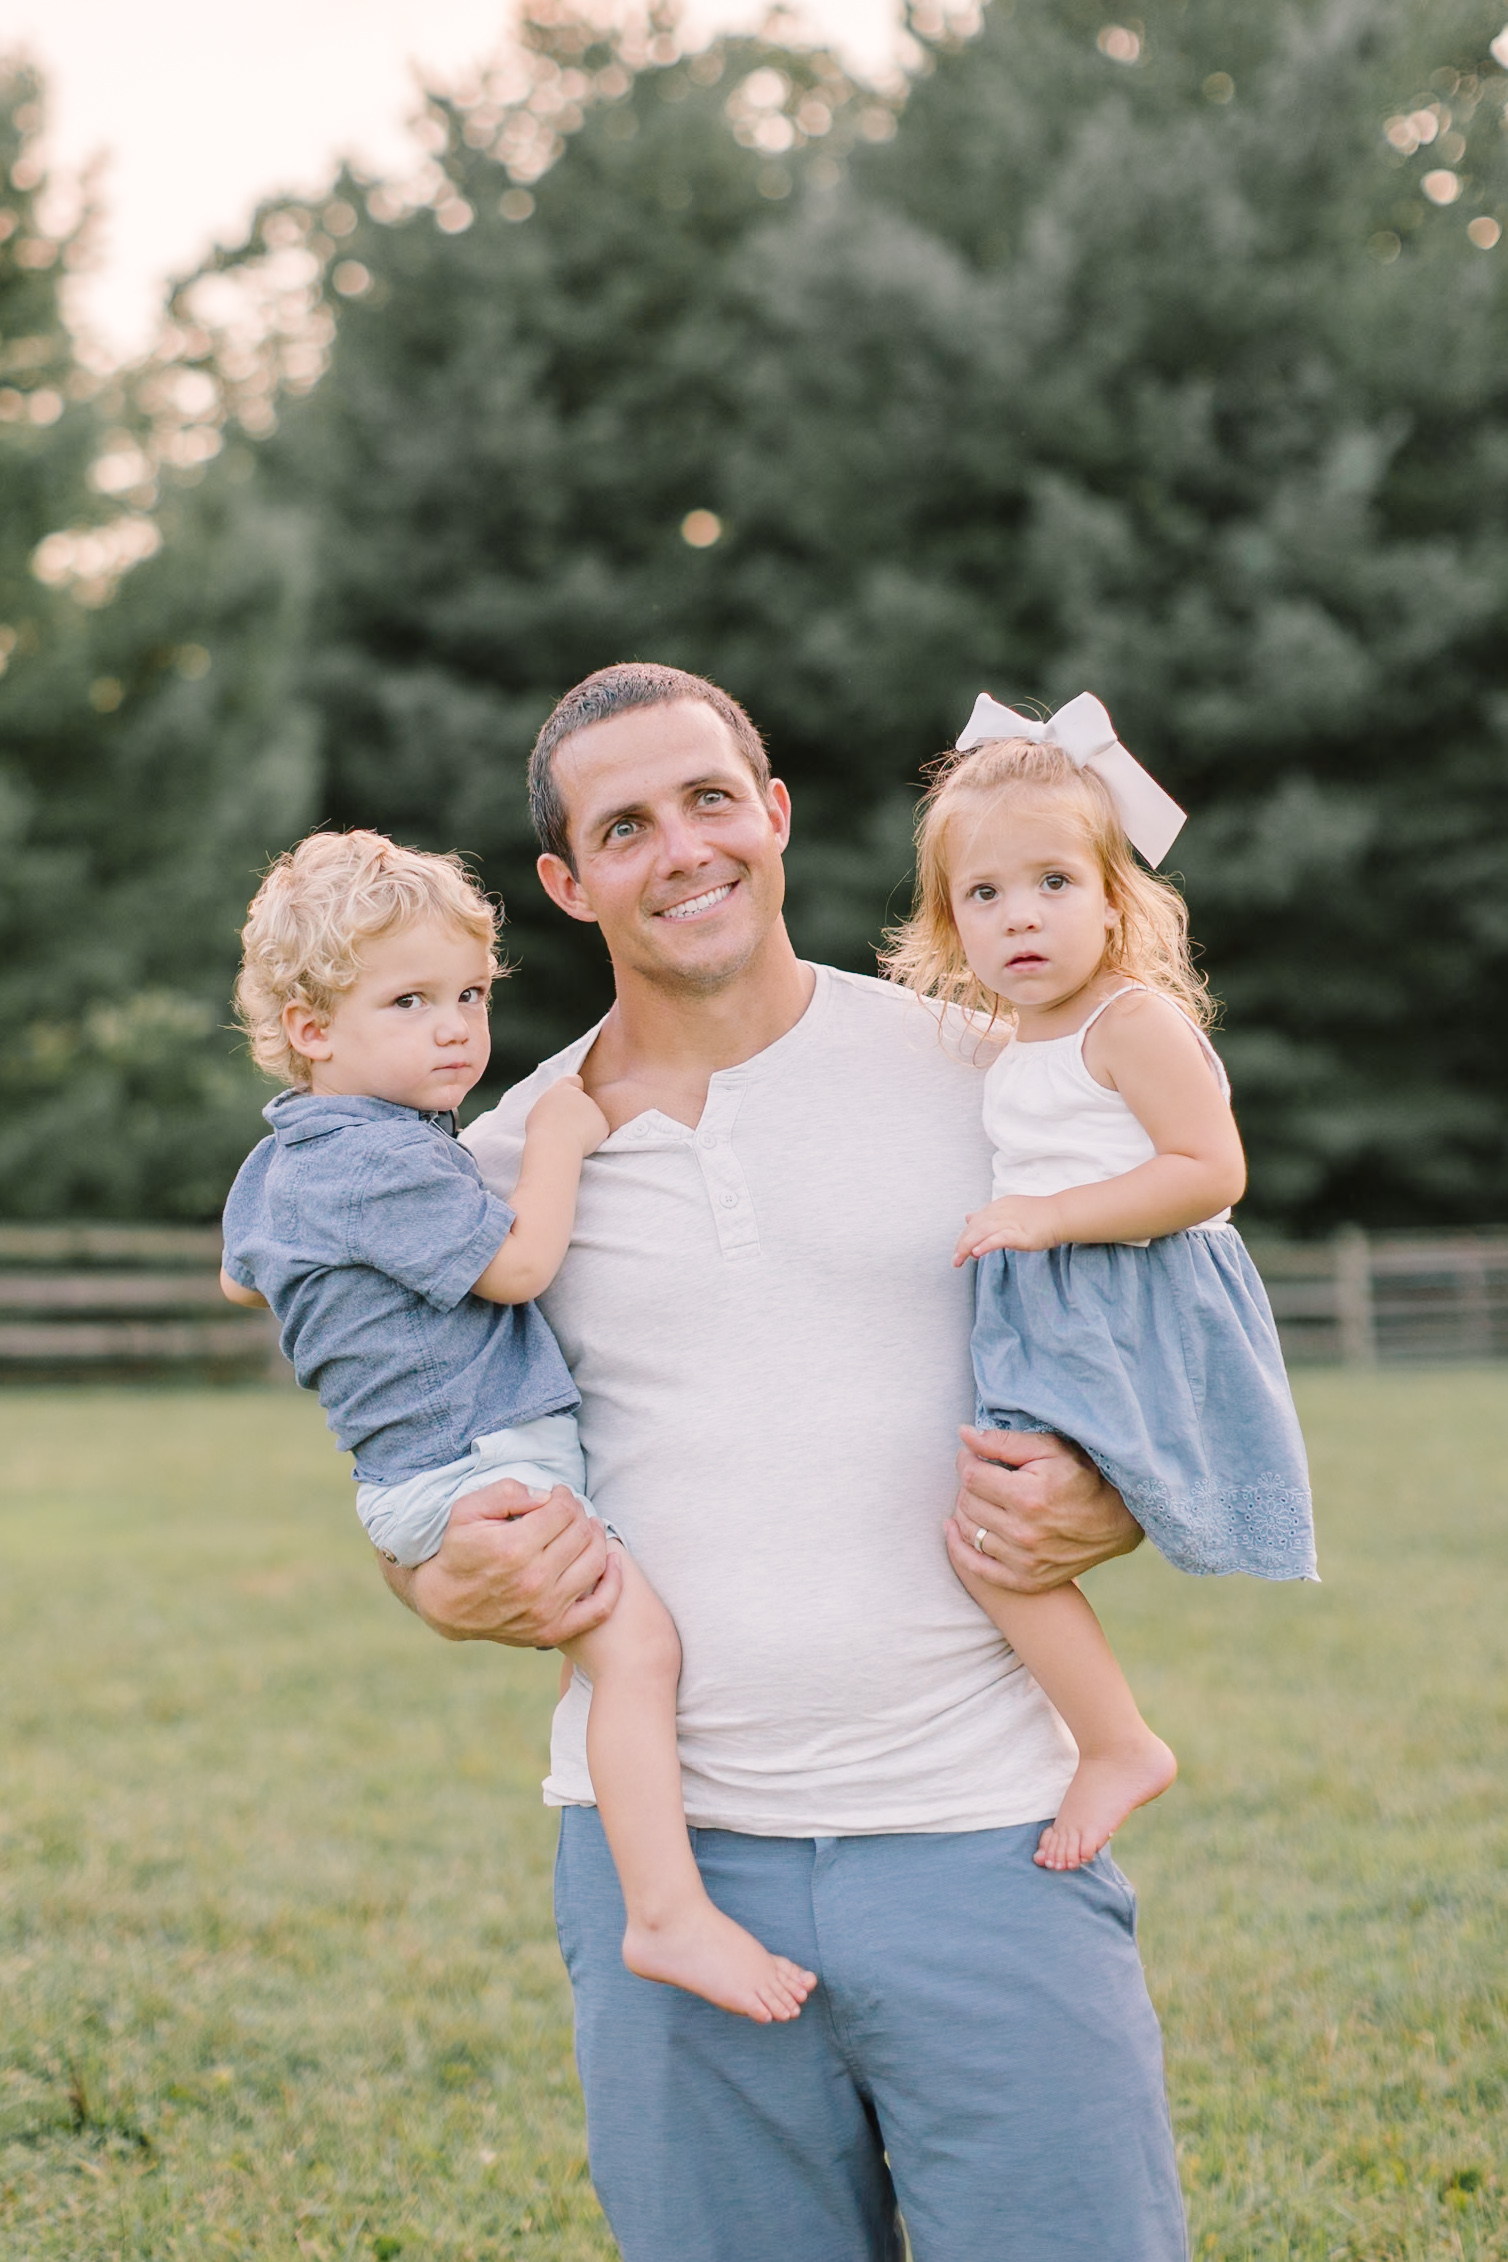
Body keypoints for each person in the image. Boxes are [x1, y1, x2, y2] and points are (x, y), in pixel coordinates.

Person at [382, 663, 1191, 2262]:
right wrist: (433, 1577)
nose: (679, 848)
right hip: (670, 1872)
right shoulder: (494, 1170)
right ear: (566, 882)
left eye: (706, 799)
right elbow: (413, 1462)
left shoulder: (986, 1067)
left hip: (991, 1833)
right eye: (624, 825)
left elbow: (1168, 1343)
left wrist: (1116, 1495)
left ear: (775, 813)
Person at [218, 829, 816, 2027]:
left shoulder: (291, 1154)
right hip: (479, 1464)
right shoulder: (378, 1162)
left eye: (468, 997)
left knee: (614, 1652)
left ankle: (662, 1904)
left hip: (423, 1471)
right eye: (408, 1002)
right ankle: (663, 1912)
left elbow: (244, 1277)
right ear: (310, 1028)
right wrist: (555, 1133)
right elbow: (519, 1262)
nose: (455, 1029)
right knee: (634, 1654)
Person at [883, 702, 1315, 1876]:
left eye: (1053, 881)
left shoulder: (1133, 1021)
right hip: (1053, 1303)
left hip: (1128, 1299)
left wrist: (1048, 1217)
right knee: (991, 1536)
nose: (1018, 914)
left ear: (1114, 898)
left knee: (990, 1537)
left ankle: (1114, 1741)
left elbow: (1209, 1171)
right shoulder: (1009, 1036)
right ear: (946, 920)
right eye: (982, 894)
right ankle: (1099, 1736)